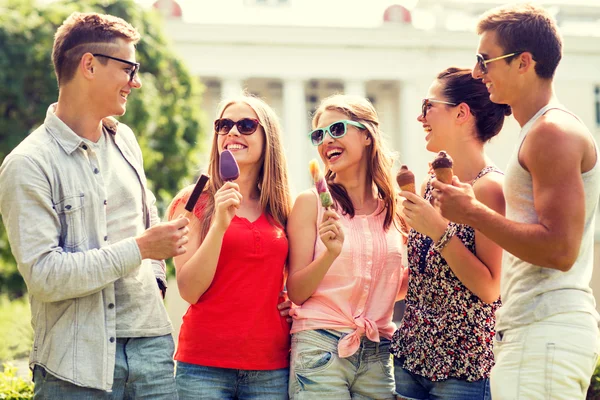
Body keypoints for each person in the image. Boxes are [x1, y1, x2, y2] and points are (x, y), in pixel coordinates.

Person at [0, 12, 188, 398]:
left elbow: (146, 215)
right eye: (128, 68)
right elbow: (45, 275)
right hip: (76, 366)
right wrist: (141, 249)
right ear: (89, 64)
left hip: (153, 349)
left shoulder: (126, 140)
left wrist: (156, 281)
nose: (135, 82)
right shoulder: (28, 164)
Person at [431, 4, 600, 399]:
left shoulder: (551, 132)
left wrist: (472, 212)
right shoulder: (541, 130)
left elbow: (560, 250)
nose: (477, 73)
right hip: (537, 331)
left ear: (524, 62)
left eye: (484, 60)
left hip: (544, 330)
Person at [391, 67, 508, 400]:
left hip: (463, 372)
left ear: (461, 113)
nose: (419, 116)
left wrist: (439, 231)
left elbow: (489, 288)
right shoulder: (430, 186)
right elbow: (421, 281)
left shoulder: (490, 189)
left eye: (428, 105)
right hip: (409, 361)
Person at [167, 93, 293, 400]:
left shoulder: (280, 207)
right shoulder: (194, 198)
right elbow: (189, 289)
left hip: (271, 368)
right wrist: (220, 225)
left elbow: (288, 278)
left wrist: (295, 304)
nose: (232, 132)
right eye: (224, 125)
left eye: (246, 125)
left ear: (268, 138)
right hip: (203, 367)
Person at [286, 94, 407, 399]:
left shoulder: (393, 212)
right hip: (320, 347)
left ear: (367, 135)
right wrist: (329, 254)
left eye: (337, 129)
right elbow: (296, 290)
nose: (326, 141)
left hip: (377, 353)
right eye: (319, 134)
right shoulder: (310, 204)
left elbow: (397, 287)